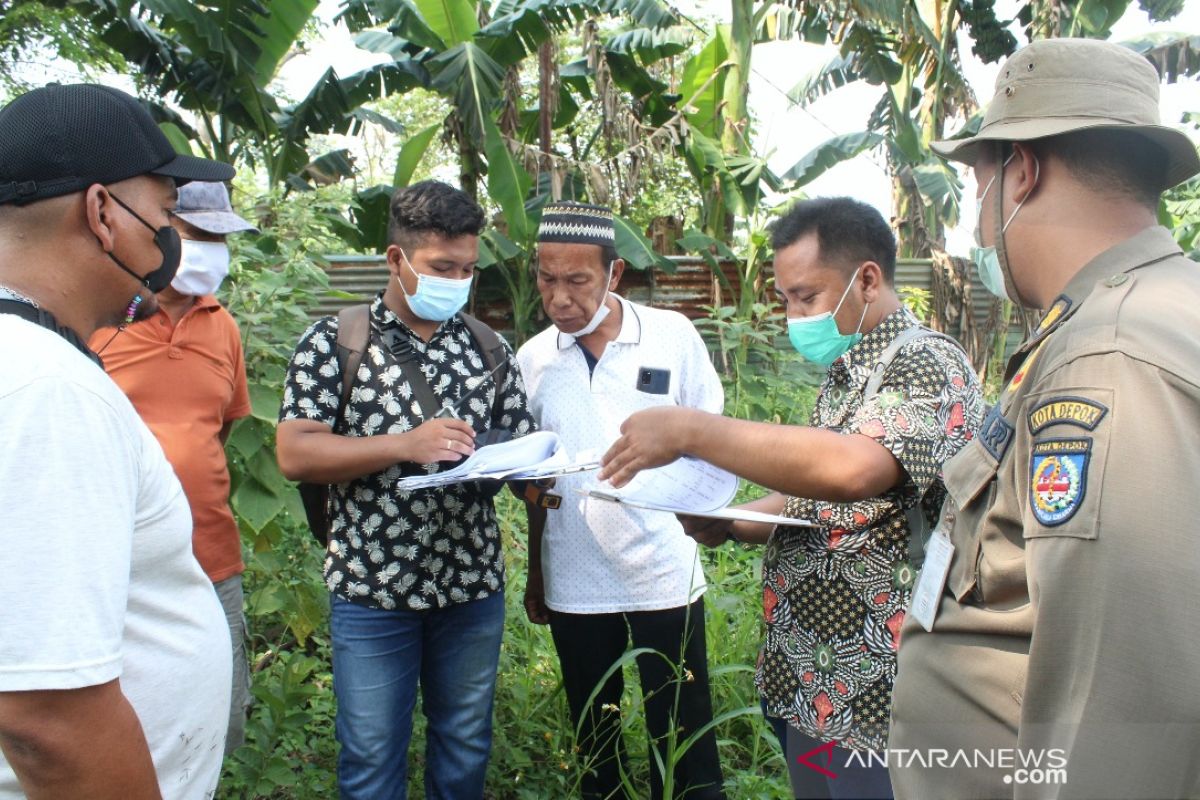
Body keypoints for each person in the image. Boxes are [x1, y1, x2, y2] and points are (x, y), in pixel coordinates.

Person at [885, 38, 1200, 799]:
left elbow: (1120, 707)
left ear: (1021, 172)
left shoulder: (1109, 360)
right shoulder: (1133, 313)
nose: (981, 220)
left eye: (981, 180)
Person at [600, 197, 985, 799]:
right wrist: (735, 522)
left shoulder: (926, 363)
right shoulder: (848, 372)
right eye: (785, 300)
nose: (793, 316)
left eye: (806, 296)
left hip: (877, 682)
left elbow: (855, 471)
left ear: (867, 278)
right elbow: (824, 499)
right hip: (809, 671)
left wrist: (692, 430)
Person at [0, 83, 235, 798]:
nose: (170, 239)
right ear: (102, 212)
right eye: (165, 213)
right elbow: (47, 716)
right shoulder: (46, 389)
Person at [275, 179, 537, 800]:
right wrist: (402, 444)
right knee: (370, 755)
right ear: (397, 259)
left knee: (465, 744)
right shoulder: (336, 343)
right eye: (442, 266)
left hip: (470, 587)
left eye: (468, 268)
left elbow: (523, 443)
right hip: (371, 590)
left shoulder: (489, 348)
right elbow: (295, 452)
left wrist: (525, 464)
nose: (459, 279)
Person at [516, 202, 728, 800]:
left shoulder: (670, 335)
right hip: (575, 581)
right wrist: (537, 572)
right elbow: (533, 482)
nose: (559, 298)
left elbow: (714, 440)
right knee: (595, 738)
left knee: (684, 735)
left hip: (663, 571)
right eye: (546, 279)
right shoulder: (533, 360)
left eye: (577, 281)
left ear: (614, 276)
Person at [88, 180, 259, 755]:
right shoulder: (101, 321)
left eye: (219, 238)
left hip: (211, 555)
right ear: (159, 232)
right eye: (196, 235)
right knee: (130, 720)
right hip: (120, 564)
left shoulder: (223, 327)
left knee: (215, 718)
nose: (210, 249)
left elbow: (221, 429)